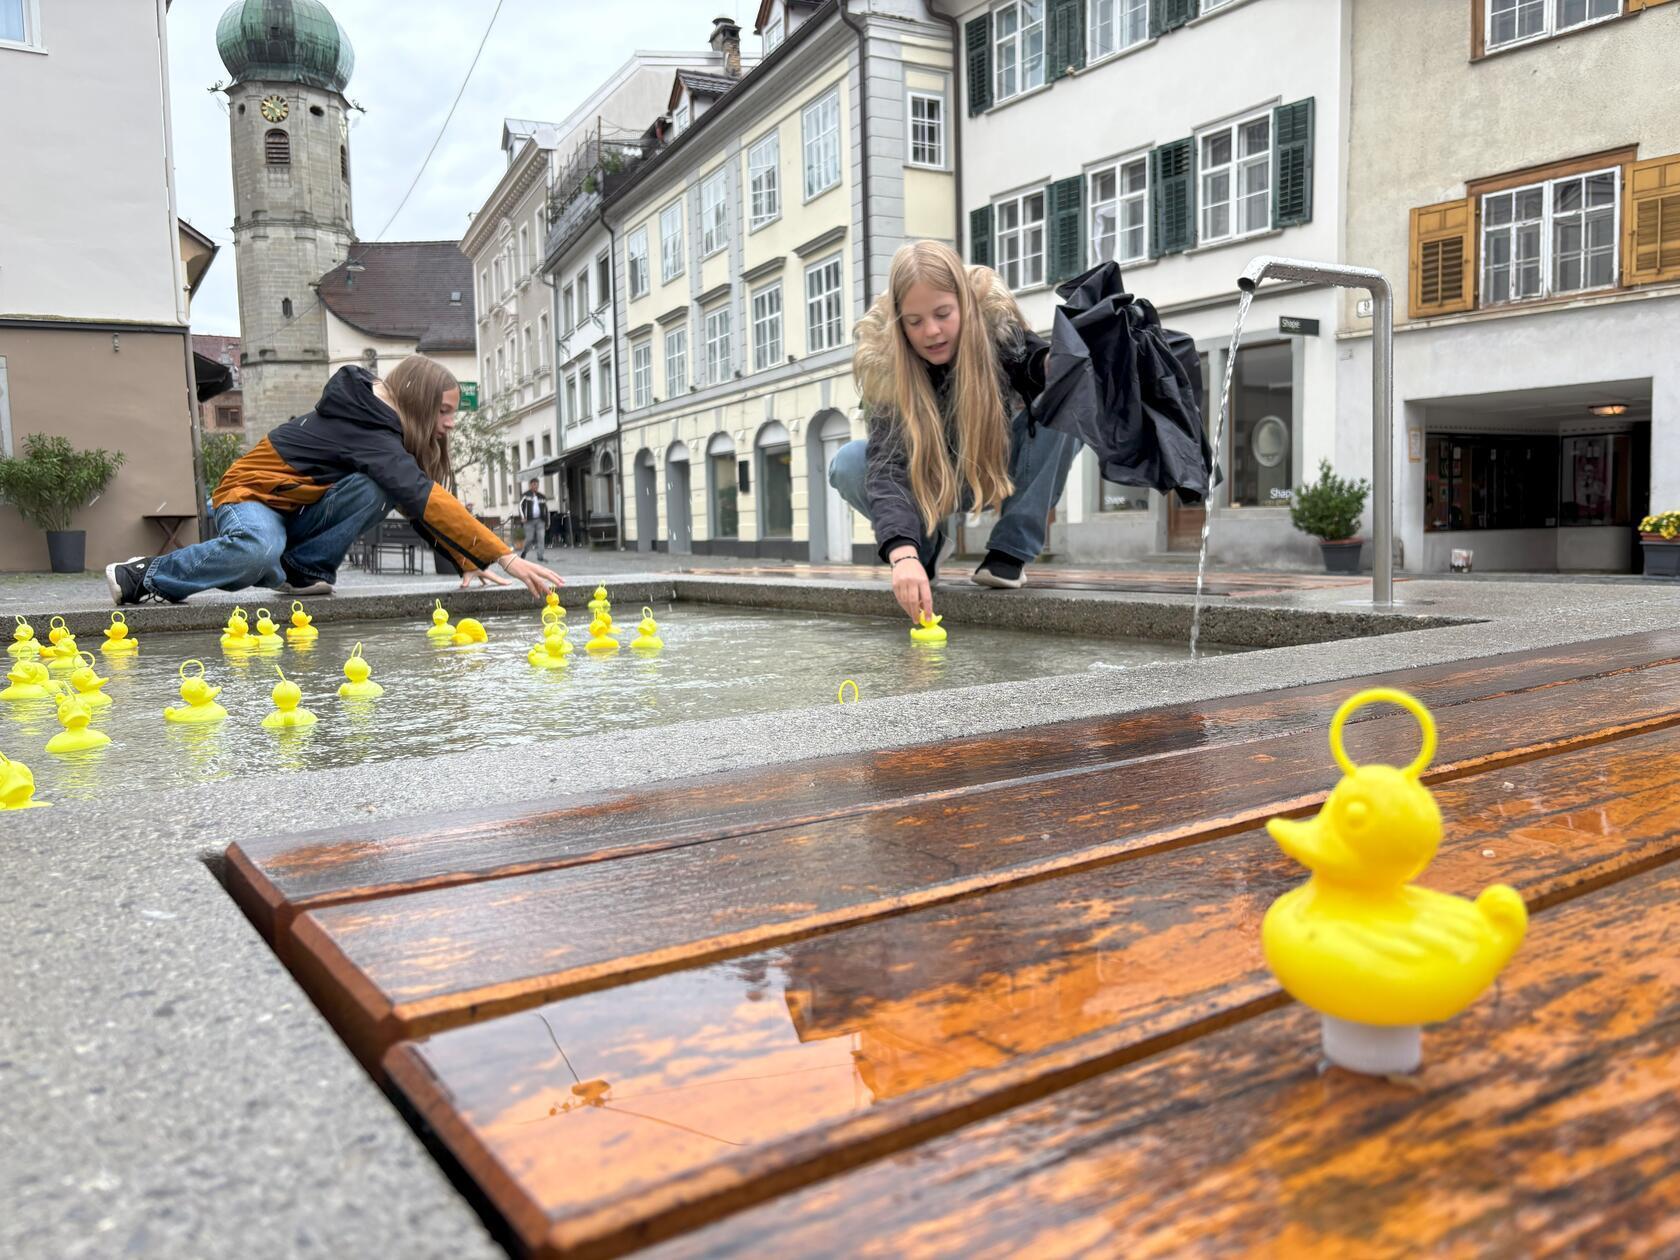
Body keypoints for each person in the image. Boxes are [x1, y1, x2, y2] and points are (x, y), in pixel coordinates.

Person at [106, 355, 562, 604]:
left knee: (375, 487)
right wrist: (505, 557)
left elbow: (413, 497)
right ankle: (148, 576)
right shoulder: (368, 427)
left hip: (300, 510)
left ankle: (303, 571)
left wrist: (466, 560)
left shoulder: (383, 435)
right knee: (257, 551)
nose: (450, 423)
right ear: (417, 402)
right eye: (443, 412)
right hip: (251, 496)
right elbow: (425, 497)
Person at [829, 240, 1078, 623]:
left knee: (1064, 399)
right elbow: (888, 468)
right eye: (915, 322)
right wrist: (903, 554)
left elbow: (1032, 364)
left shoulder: (996, 327)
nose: (931, 331)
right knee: (847, 462)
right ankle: (925, 548)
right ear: (899, 323)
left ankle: (1010, 551)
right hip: (927, 481)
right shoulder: (885, 366)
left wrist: (1062, 362)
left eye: (943, 314)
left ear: (964, 303)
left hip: (995, 467)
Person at [518, 477, 548, 562]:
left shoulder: (541, 496)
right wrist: (523, 517)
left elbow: (546, 509)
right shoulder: (526, 495)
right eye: (534, 485)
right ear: (530, 485)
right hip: (529, 521)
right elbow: (520, 506)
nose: (536, 486)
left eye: (537, 485)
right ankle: (524, 551)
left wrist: (547, 521)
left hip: (540, 520)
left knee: (541, 538)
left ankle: (540, 556)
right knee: (529, 539)